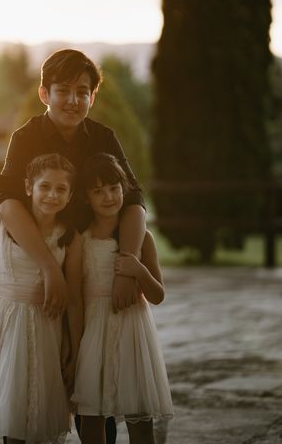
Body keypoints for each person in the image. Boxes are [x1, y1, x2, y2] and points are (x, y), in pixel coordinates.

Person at [0, 48, 147, 323]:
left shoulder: (104, 137)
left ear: (92, 97)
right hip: (41, 255)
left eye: (82, 92)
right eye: (63, 91)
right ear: (44, 94)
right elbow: (8, 202)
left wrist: (127, 267)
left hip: (92, 261)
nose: (73, 101)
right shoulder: (25, 138)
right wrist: (50, 268)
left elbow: (134, 200)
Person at [0, 153, 84, 444]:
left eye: (61, 189)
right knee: (10, 414)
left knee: (38, 416)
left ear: (70, 194)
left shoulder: (71, 237)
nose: (52, 195)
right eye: (44, 186)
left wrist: (74, 352)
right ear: (28, 187)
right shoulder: (0, 225)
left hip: (47, 330)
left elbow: (74, 298)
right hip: (4, 327)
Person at [72, 153, 173, 444]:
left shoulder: (143, 239)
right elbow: (76, 296)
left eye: (114, 188)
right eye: (98, 191)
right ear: (85, 197)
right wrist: (74, 343)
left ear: (124, 187)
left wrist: (138, 270)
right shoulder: (81, 239)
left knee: (140, 423)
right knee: (92, 421)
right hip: (93, 334)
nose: (108, 197)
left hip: (132, 334)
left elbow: (158, 295)